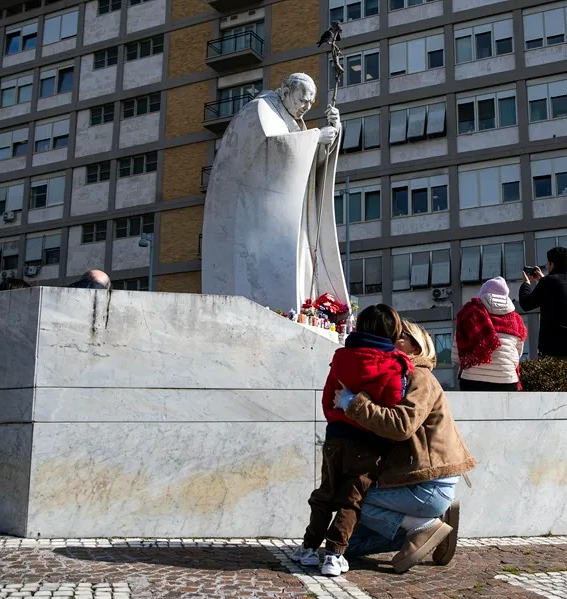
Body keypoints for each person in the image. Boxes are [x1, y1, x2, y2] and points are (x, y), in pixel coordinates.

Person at [335, 320, 477, 573]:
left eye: (399, 336)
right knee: (350, 544)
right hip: (411, 483)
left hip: (427, 485)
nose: (390, 340)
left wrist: (351, 402)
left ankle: (423, 525)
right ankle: (429, 528)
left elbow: (401, 425)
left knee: (350, 497)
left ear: (416, 346)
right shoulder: (399, 376)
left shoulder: (419, 377)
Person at [201, 72, 349, 315]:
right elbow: (267, 151)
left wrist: (332, 134)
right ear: (285, 91)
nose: (305, 107)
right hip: (254, 217)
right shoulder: (259, 110)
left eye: (310, 103)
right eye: (302, 100)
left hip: (285, 214)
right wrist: (314, 137)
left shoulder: (291, 120)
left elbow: (310, 168)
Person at [291, 304, 414, 577]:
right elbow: (393, 404)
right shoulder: (395, 363)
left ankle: (309, 549)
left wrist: (341, 416)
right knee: (350, 501)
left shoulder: (342, 358)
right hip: (369, 443)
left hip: (336, 438)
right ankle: (334, 555)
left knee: (325, 494)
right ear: (393, 331)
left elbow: (327, 401)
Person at [519, 246, 567, 391]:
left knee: (565, 392)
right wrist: (543, 280)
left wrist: (526, 284)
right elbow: (561, 294)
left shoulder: (549, 283)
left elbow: (526, 304)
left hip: (559, 348)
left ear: (551, 264)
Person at [453, 276, 527, 391]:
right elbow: (517, 353)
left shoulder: (468, 313)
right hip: (507, 379)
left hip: (472, 380)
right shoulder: (516, 319)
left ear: (483, 294)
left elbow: (456, 355)